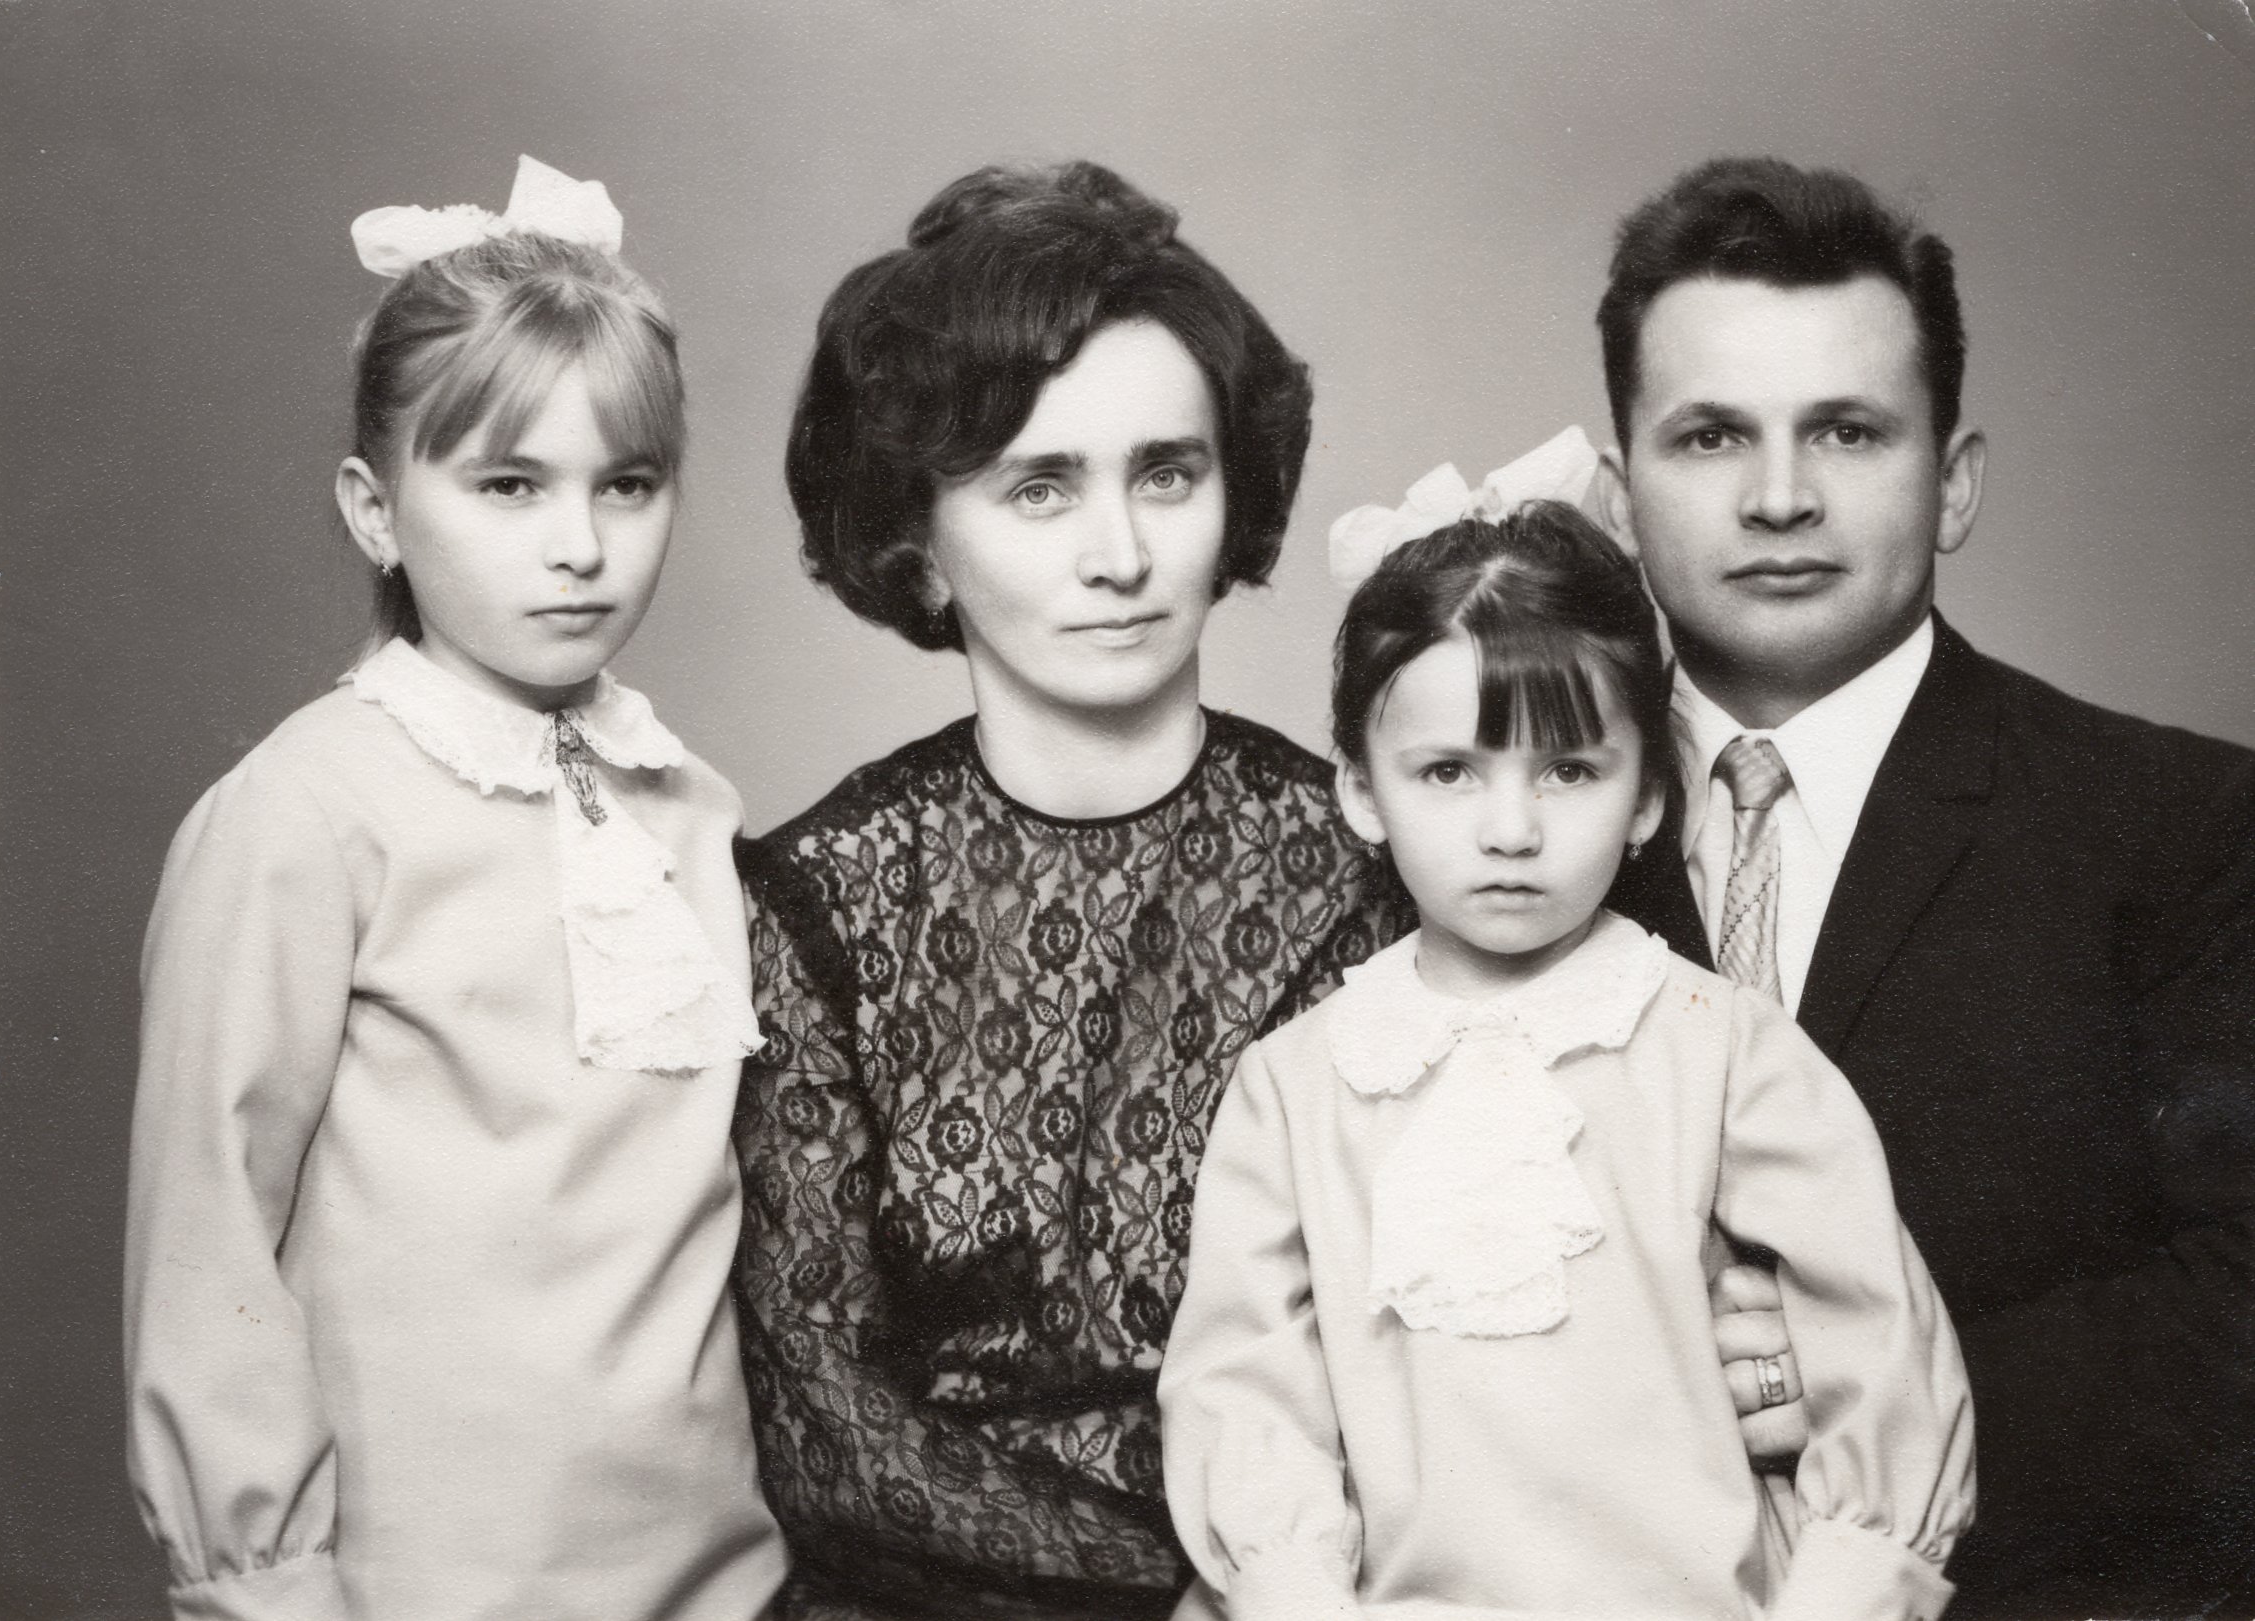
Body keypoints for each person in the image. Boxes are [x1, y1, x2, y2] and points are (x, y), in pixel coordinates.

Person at [739, 160, 1805, 1621]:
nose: (1120, 555)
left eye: (1165, 474)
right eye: (1039, 487)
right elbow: (826, 1435)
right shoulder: (814, 900)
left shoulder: (1406, 859)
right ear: (918, 543)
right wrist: (1201, 1584)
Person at [123, 158, 785, 1621]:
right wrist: (264, 1587)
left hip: (719, 1582)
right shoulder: (304, 813)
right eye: (508, 485)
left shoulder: (690, 808)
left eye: (627, 484)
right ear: (376, 511)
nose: (580, 545)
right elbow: (206, 1237)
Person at [1595, 157, 2255, 1618]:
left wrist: (1861, 1389)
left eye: (1846, 432)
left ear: (1951, 484)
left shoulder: (2186, 829)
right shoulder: (1498, 841)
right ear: (1617, 490)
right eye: (1709, 435)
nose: (1779, 498)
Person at [1160, 488, 1973, 1621]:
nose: (1510, 830)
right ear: (1359, 788)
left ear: (1646, 796)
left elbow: (1877, 1339)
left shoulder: (1724, 1047)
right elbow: (1246, 1387)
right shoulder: (1296, 1084)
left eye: (1568, 770)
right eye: (1448, 771)